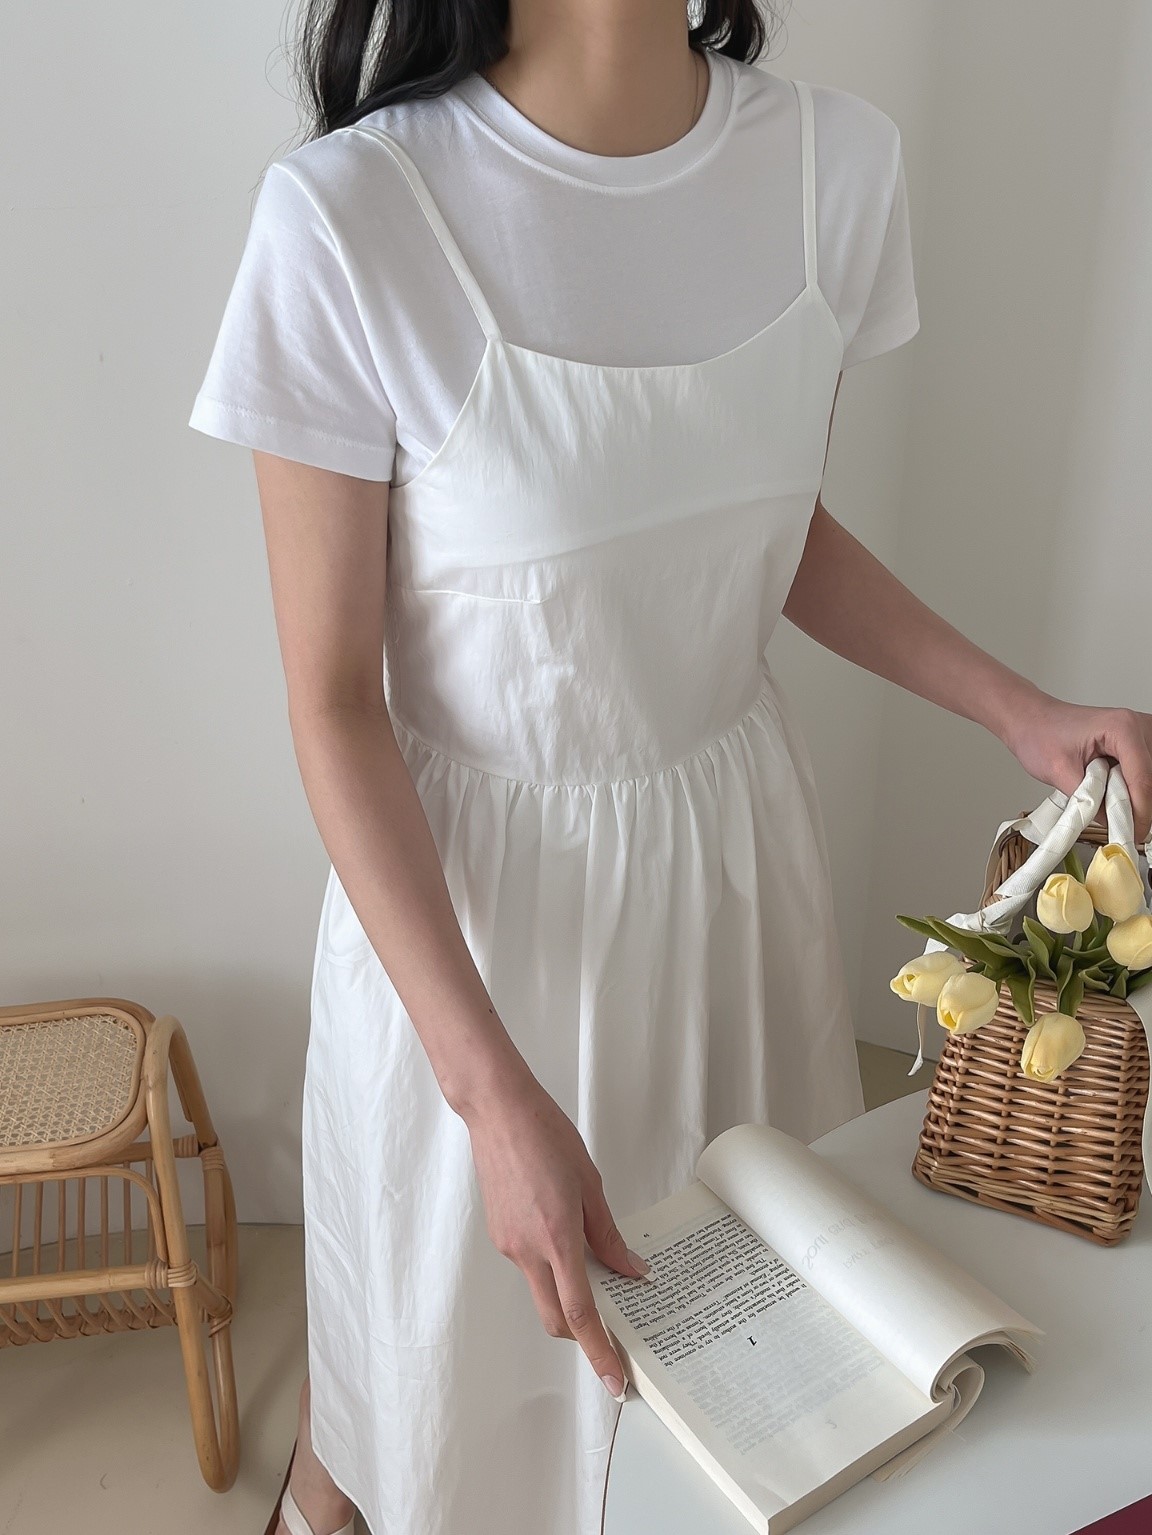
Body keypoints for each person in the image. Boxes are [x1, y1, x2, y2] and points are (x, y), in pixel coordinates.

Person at [187, 4, 1152, 1533]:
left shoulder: (834, 171)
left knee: (731, 1385)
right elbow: (334, 703)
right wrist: (489, 1092)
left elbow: (759, 527)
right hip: (473, 932)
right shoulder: (352, 219)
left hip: (733, 881)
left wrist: (1017, 709)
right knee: (446, 1374)